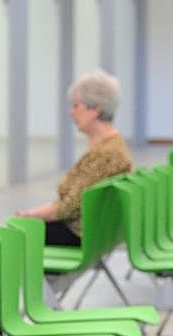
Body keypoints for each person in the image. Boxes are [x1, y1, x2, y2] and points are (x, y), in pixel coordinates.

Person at [17, 70, 134, 245]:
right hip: (90, 231)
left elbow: (69, 207)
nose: (72, 113)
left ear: (95, 109)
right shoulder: (109, 146)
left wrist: (31, 215)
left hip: (80, 234)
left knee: (14, 238)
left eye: (76, 106)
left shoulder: (107, 154)